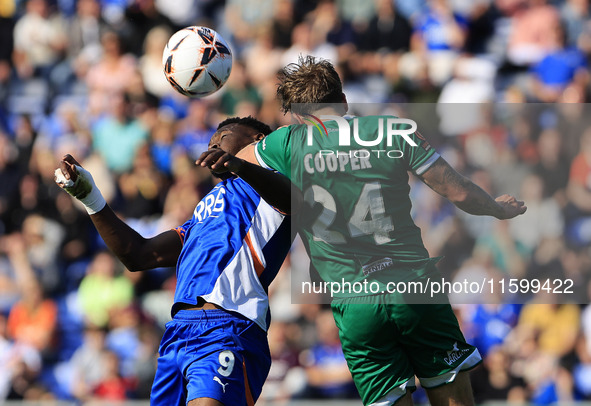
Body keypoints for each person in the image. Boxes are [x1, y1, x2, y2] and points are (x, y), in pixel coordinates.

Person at [238, 56, 527, 406]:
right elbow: (460, 192)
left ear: (298, 115)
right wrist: (497, 208)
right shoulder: (392, 129)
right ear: (343, 101)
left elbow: (234, 161)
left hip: (353, 302)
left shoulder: (285, 143)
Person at [55, 116, 294, 406]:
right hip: (178, 333)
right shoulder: (202, 215)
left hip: (228, 326)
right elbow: (139, 254)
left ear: (258, 139)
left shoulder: (270, 187)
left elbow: (295, 201)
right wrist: (90, 197)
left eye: (225, 134)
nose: (214, 142)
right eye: (210, 141)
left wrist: (241, 164)